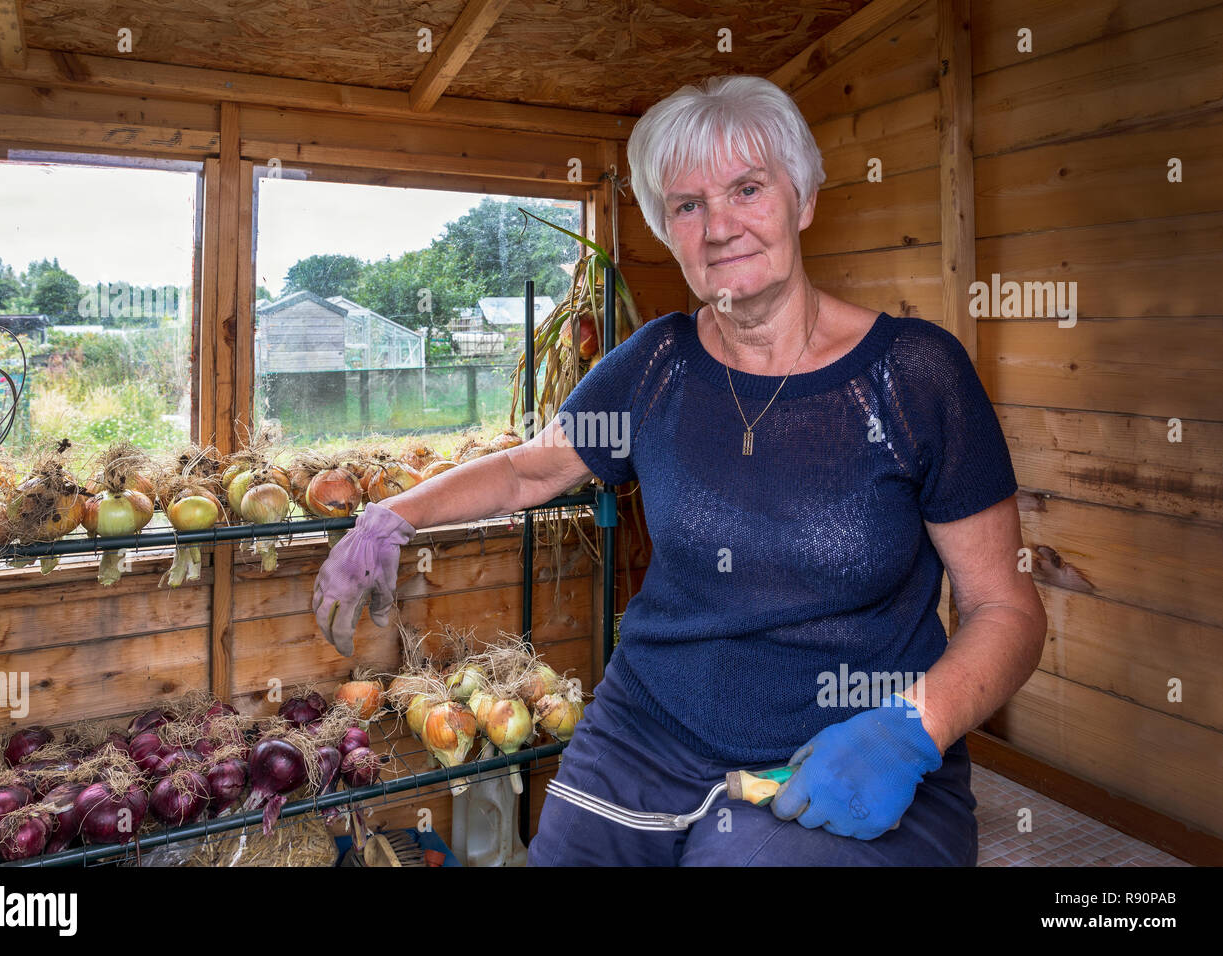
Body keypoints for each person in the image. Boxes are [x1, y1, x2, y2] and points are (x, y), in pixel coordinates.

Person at [313, 75, 1047, 867]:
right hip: (645, 737)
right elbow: (531, 470)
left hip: (844, 747)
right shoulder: (657, 364)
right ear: (668, 230)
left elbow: (1006, 608)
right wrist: (392, 516)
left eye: (748, 188)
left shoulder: (913, 376)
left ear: (803, 200)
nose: (720, 226)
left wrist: (913, 728)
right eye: (688, 205)